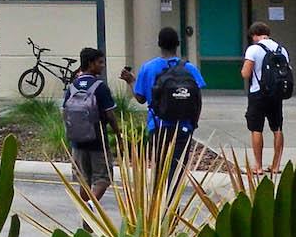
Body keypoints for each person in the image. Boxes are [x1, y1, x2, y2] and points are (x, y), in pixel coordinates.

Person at [129, 27, 207, 173]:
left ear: (159, 44)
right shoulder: (190, 68)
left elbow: (140, 98)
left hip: (157, 124)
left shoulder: (148, 68)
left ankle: (161, 195)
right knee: (177, 167)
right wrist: (193, 123)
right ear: (178, 43)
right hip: (183, 125)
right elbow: (198, 99)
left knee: (160, 165)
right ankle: (173, 194)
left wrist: (131, 82)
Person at [65, 47, 119, 202]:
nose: (102, 66)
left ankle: (86, 218)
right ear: (90, 63)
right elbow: (110, 115)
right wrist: (117, 134)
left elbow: (65, 112)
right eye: (100, 62)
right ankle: (90, 208)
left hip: (77, 142)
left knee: (84, 180)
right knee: (103, 179)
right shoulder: (100, 87)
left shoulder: (73, 86)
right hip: (97, 141)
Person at [239, 22, 289, 175]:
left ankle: (258, 166)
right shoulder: (281, 49)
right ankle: (275, 165)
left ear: (254, 35)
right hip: (276, 93)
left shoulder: (253, 49)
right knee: (277, 128)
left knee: (256, 128)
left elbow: (246, 73)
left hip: (258, 93)